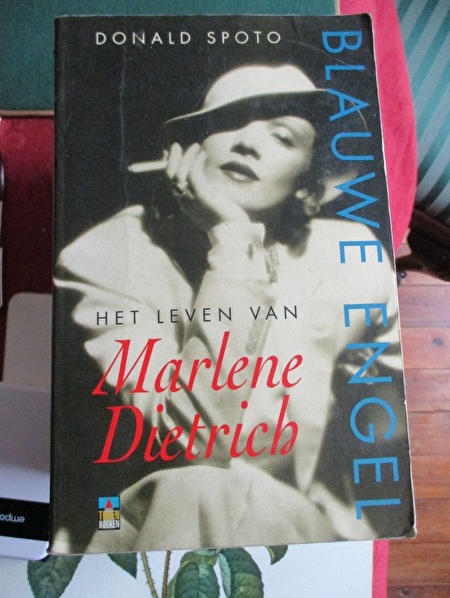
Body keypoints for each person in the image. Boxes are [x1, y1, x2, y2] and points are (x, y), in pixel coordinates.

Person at [55, 63, 404, 552]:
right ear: (187, 149)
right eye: (229, 122)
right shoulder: (104, 256)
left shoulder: (349, 258)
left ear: (307, 182)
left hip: (295, 525)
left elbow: (389, 427)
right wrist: (231, 242)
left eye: (282, 137)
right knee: (198, 488)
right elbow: (196, 445)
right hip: (128, 521)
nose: (247, 143)